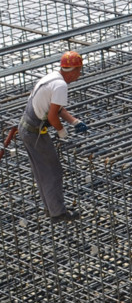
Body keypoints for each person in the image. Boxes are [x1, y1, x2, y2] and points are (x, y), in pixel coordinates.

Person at [18, 51, 88, 222]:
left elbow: (56, 109)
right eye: (79, 71)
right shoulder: (61, 86)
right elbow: (52, 117)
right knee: (53, 172)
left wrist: (74, 121)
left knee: (42, 172)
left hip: (27, 128)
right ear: (73, 70)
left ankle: (52, 208)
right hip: (34, 132)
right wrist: (61, 131)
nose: (79, 75)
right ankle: (58, 212)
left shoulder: (53, 78)